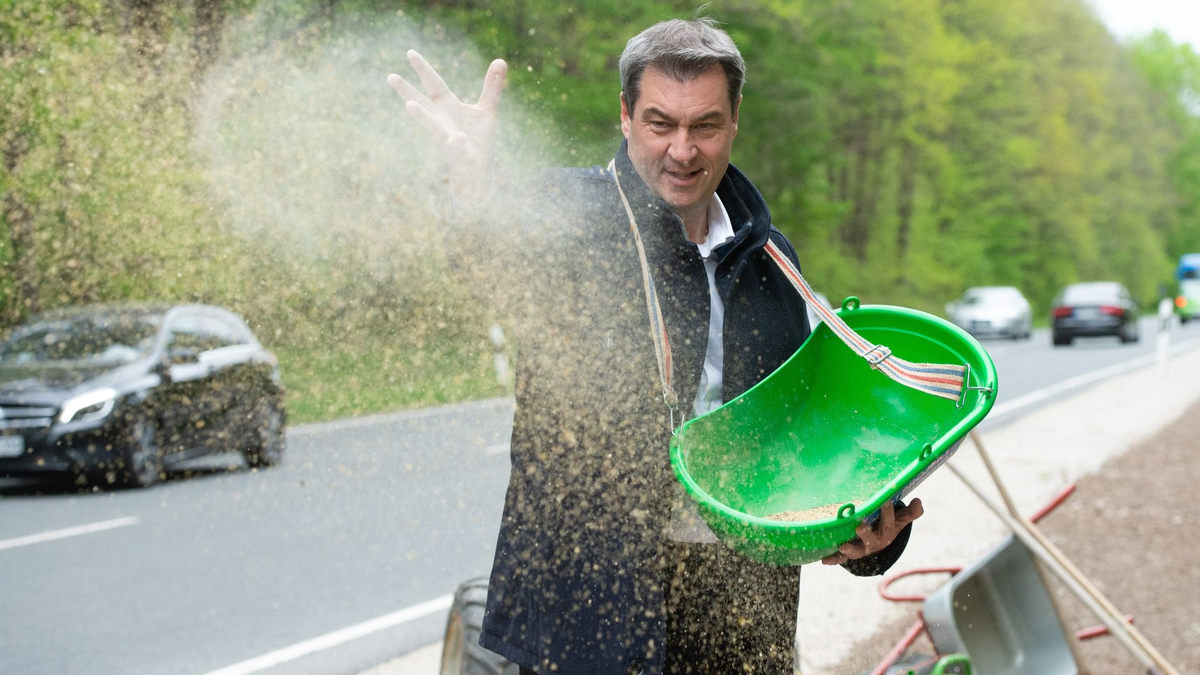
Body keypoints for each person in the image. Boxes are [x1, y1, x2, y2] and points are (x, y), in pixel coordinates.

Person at [388, 17, 923, 675]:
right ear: (624, 116)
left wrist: (869, 538)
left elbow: (806, 441)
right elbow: (495, 264)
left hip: (740, 615)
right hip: (592, 617)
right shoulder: (572, 217)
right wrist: (470, 194)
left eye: (704, 125)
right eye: (660, 123)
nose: (682, 150)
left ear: (734, 122)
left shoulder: (774, 260)